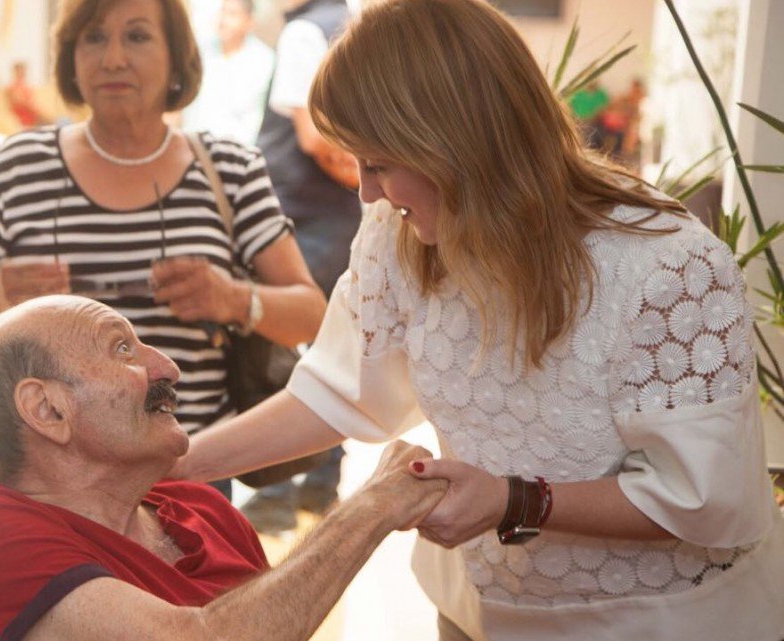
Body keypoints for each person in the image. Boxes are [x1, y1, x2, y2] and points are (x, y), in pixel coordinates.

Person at [173, 1, 784, 639]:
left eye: (378, 163)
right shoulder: (399, 236)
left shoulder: (668, 267)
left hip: (654, 622)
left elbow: (702, 498)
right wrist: (180, 466)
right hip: (475, 611)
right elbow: (337, 390)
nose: (365, 193)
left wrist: (515, 499)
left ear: (452, 142)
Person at [0, 0, 327, 495]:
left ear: (177, 57)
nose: (112, 58)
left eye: (136, 37)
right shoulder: (19, 168)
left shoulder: (230, 170)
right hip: (35, 481)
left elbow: (311, 316)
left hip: (181, 476)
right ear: (70, 56)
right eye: (93, 38)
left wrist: (232, 298)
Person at [0, 295, 446, 641]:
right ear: (47, 410)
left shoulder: (203, 510)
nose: (166, 368)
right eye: (122, 349)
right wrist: (372, 507)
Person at [239, 0, 360, 534]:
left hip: (299, 215)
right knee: (335, 350)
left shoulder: (306, 32)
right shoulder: (353, 22)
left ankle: (278, 495)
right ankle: (320, 487)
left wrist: (364, 176)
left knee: (284, 351)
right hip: (342, 219)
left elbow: (312, 137)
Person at [182, 0, 274, 145]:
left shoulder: (264, 60)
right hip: (193, 146)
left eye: (232, 14)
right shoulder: (200, 51)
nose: (223, 20)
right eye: (222, 12)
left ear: (250, 21)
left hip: (237, 153)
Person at [5, 60, 41, 129]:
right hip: (24, 116)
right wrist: (35, 109)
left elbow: (32, 101)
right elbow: (19, 101)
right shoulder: (12, 87)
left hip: (32, 114)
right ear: (15, 72)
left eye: (23, 71)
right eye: (20, 71)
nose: (22, 73)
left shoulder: (27, 86)